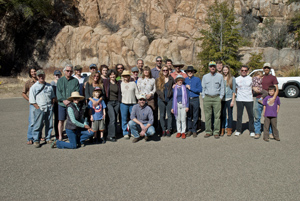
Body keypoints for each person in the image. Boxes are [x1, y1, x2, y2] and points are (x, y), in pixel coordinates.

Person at [29, 70, 55, 148]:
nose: (41, 77)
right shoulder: (34, 87)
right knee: (38, 125)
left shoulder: (49, 86)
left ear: (44, 76)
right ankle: (36, 140)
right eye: (39, 76)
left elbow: (53, 96)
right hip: (40, 108)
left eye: (42, 75)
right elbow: (32, 100)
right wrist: (37, 107)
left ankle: (48, 138)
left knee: (49, 124)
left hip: (49, 108)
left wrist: (52, 104)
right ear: (37, 77)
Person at [253, 63, 279, 139]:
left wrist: (273, 98)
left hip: (269, 99)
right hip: (258, 98)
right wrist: (254, 88)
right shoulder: (260, 76)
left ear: (270, 68)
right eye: (265, 67)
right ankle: (257, 132)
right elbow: (254, 84)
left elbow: (276, 88)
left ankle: (270, 132)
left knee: (269, 116)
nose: (266, 69)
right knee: (257, 116)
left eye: (268, 67)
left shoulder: (273, 77)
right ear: (263, 68)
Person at [56, 64, 79, 141]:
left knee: (72, 121)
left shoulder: (75, 81)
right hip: (62, 104)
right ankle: (60, 136)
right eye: (67, 71)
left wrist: (70, 100)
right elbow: (58, 92)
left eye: (71, 71)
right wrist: (63, 100)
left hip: (71, 104)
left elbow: (77, 91)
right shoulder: (60, 81)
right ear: (64, 71)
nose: (69, 72)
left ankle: (71, 136)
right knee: (61, 120)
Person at [202, 61, 224, 139]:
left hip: (216, 98)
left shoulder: (220, 76)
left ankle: (216, 132)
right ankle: (208, 131)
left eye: (213, 66)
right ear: (209, 67)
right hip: (207, 98)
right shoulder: (205, 77)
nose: (212, 68)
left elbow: (222, 88)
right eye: (211, 66)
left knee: (217, 116)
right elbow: (203, 88)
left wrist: (220, 97)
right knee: (207, 116)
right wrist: (204, 97)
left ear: (215, 67)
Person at [235, 65, 255, 137]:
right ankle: (239, 130)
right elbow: (235, 89)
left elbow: (254, 88)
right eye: (242, 70)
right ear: (240, 71)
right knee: (239, 115)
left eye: (245, 70)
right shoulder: (236, 79)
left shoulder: (251, 79)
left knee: (251, 115)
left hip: (249, 99)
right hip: (239, 99)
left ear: (247, 71)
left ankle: (252, 130)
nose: (244, 72)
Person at [156, 65, 175, 137]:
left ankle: (169, 129)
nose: (165, 71)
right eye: (163, 70)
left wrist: (171, 93)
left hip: (169, 99)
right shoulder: (158, 79)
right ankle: (163, 129)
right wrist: (162, 97)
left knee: (169, 115)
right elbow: (157, 90)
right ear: (161, 71)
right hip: (161, 100)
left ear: (168, 71)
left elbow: (173, 87)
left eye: (166, 70)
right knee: (162, 115)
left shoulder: (171, 79)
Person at [103, 69, 121, 142]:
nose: (112, 76)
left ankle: (111, 133)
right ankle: (110, 135)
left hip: (116, 102)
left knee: (114, 118)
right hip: (109, 102)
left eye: (114, 74)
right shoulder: (106, 82)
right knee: (112, 118)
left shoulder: (118, 83)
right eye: (111, 74)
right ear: (109, 75)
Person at [120, 70, 139, 139]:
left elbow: (136, 93)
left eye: (127, 75)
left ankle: (133, 132)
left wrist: (140, 99)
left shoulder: (133, 83)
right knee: (124, 119)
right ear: (123, 77)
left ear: (129, 76)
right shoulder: (121, 84)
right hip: (124, 103)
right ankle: (125, 133)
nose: (126, 77)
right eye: (124, 76)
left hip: (133, 103)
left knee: (133, 119)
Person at [184, 66, 202, 138]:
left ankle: (194, 130)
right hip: (187, 99)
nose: (190, 72)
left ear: (193, 72)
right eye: (188, 71)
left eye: (191, 71)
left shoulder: (197, 80)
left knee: (195, 115)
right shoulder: (184, 80)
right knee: (188, 115)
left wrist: (191, 88)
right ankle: (189, 129)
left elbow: (200, 90)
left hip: (195, 99)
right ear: (187, 72)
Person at [22, 66, 38, 145]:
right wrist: (29, 99)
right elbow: (23, 93)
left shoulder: (40, 81)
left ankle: (38, 137)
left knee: (39, 121)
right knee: (32, 122)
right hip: (32, 104)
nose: (34, 73)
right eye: (32, 72)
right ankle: (30, 138)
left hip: (40, 104)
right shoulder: (28, 82)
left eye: (35, 71)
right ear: (30, 73)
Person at [171, 75, 189, 139]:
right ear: (176, 81)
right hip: (177, 105)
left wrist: (187, 106)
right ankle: (179, 131)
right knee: (178, 119)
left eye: (181, 80)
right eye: (178, 80)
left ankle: (183, 132)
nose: (180, 81)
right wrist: (173, 107)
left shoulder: (184, 88)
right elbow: (173, 99)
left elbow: (187, 98)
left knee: (183, 119)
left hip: (183, 105)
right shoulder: (174, 88)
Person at [221, 65, 236, 136]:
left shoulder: (232, 78)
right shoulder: (221, 78)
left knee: (230, 115)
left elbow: (234, 90)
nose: (225, 71)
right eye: (224, 70)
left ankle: (229, 129)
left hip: (229, 99)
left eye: (226, 70)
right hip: (222, 99)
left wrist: (233, 100)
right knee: (223, 115)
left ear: (228, 70)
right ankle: (222, 128)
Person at [50, 70, 62, 139]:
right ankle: (56, 133)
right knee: (56, 119)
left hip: (61, 102)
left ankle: (60, 132)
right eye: (56, 75)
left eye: (59, 75)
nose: (57, 76)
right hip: (55, 103)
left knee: (61, 119)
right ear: (54, 76)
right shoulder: (52, 84)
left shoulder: (62, 83)